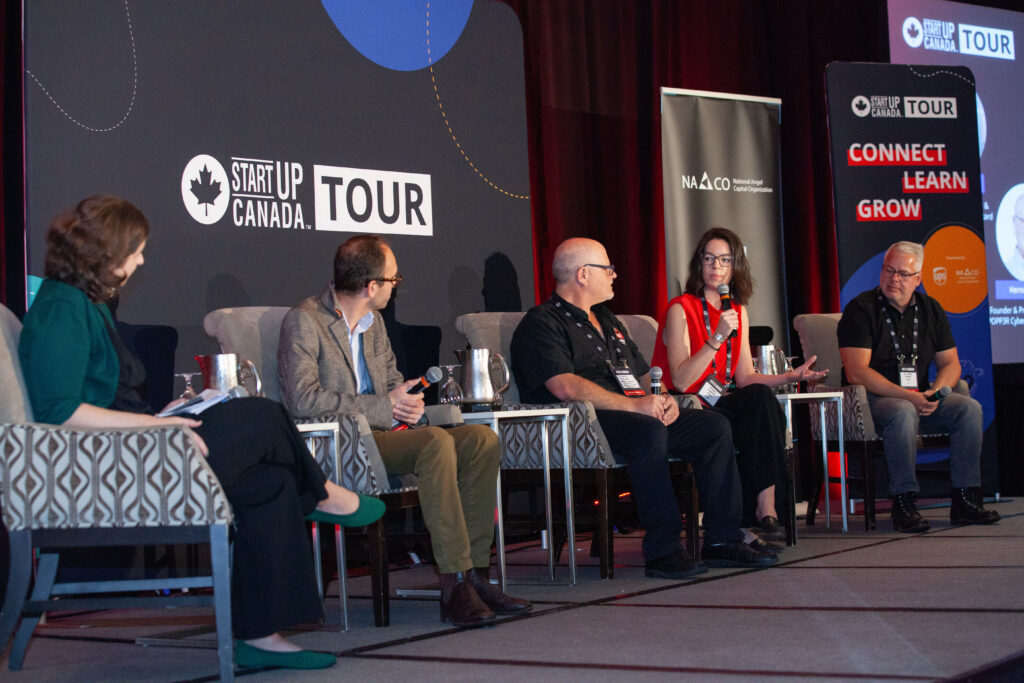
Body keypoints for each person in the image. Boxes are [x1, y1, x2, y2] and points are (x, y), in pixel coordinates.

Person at [17, 195, 387, 670]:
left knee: (270, 484)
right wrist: (157, 428)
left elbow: (99, 398)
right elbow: (58, 411)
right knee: (263, 414)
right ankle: (322, 495)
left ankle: (260, 637)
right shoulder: (61, 307)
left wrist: (166, 416)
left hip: (133, 449)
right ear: (106, 251)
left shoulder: (83, 304)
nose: (141, 259)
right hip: (112, 470)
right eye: (136, 250)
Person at [277, 234, 531, 628]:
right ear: (371, 285)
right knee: (433, 444)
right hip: (342, 444)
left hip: (387, 435)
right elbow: (302, 400)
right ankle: (455, 585)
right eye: (393, 280)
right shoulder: (305, 320)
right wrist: (384, 405)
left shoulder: (373, 323)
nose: (397, 286)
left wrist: (408, 401)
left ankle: (476, 575)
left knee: (481, 440)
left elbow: (392, 382)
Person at [510, 237, 779, 576]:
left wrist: (664, 399)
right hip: (582, 423)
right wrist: (634, 407)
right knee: (647, 432)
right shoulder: (543, 322)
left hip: (632, 413)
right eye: (606, 268)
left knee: (713, 427)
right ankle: (663, 550)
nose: (614, 275)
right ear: (582, 275)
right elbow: (565, 386)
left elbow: (642, 374)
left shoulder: (607, 320)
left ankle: (722, 540)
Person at [651, 227, 825, 540]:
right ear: (698, 264)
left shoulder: (738, 311)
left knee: (760, 398)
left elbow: (744, 377)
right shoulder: (680, 308)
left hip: (720, 401)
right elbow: (682, 379)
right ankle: (751, 515)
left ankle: (766, 509)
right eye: (708, 259)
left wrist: (791, 377)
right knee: (753, 407)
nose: (715, 266)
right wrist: (717, 337)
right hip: (686, 404)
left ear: (735, 267)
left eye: (724, 260)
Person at [837, 240, 999, 532]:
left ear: (918, 279)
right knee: (902, 410)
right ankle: (904, 502)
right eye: (888, 270)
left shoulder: (930, 309)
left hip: (920, 398)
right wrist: (908, 396)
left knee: (969, 409)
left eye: (902, 273)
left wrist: (935, 393)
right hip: (875, 401)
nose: (893, 278)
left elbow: (951, 364)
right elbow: (856, 372)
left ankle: (965, 499)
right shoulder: (860, 309)